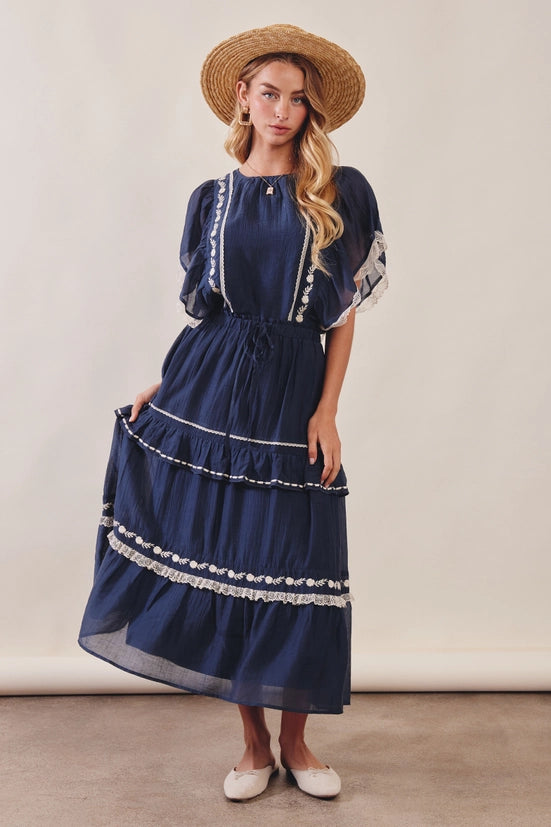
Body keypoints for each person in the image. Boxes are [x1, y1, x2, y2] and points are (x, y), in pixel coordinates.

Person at [78, 23, 388, 801]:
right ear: (242, 101)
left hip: (292, 394)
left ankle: (298, 742)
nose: (282, 110)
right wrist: (162, 383)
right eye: (268, 94)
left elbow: (342, 314)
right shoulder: (209, 200)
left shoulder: (340, 191)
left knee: (294, 559)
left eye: (296, 99)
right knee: (228, 566)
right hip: (209, 388)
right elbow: (205, 316)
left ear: (311, 111)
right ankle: (252, 745)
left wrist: (328, 410)